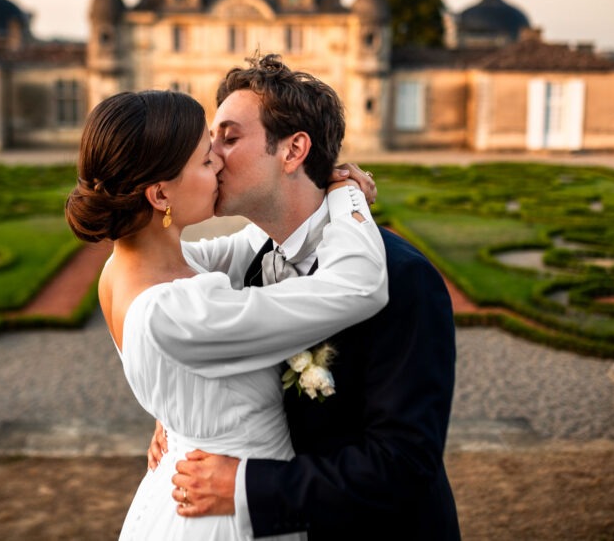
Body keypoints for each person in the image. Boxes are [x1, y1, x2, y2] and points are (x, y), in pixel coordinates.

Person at [153, 54, 461, 539]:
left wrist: (246, 487)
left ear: (293, 150)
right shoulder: (248, 265)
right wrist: (180, 414)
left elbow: (404, 463)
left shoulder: (404, 279)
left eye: (229, 138)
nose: (210, 156)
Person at [64, 89, 388, 540]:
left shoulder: (125, 270)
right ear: (160, 194)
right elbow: (358, 286)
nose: (218, 162)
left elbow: (261, 241)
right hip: (227, 514)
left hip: (186, 482)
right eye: (203, 160)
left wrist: (308, 187)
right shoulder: (174, 310)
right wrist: (347, 196)